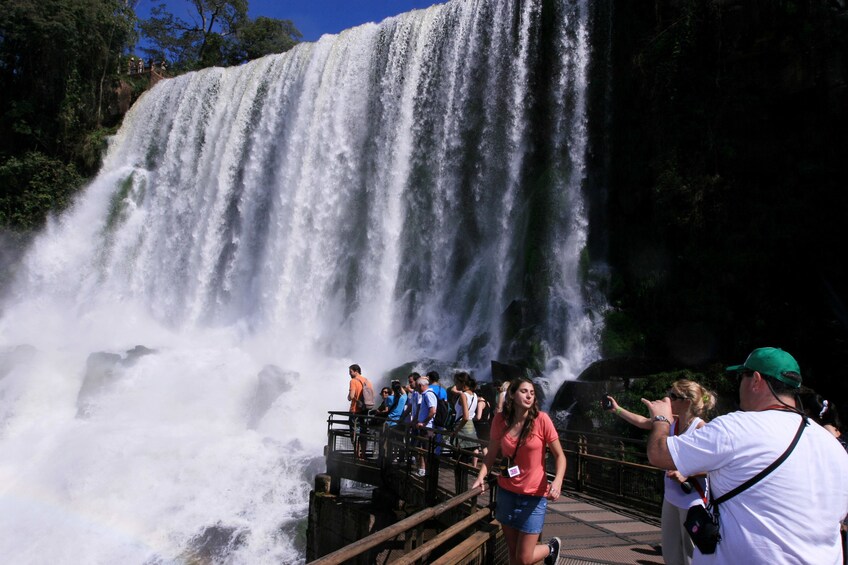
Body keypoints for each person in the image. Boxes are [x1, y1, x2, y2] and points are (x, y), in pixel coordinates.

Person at [643, 347, 848, 564]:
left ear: (756, 380)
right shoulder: (833, 446)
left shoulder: (737, 428)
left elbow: (659, 454)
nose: (739, 384)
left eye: (742, 376)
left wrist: (661, 420)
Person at [605, 380, 716, 565]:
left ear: (687, 402)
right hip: (671, 496)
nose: (667, 399)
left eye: (672, 396)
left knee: (691, 553)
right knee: (671, 550)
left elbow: (715, 465)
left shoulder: (701, 428)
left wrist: (688, 472)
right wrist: (616, 409)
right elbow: (642, 422)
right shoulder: (671, 422)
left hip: (692, 501)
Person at [472, 376, 566, 565]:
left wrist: (557, 481)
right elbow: (491, 453)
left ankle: (550, 548)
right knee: (513, 555)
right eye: (524, 391)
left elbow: (560, 456)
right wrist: (481, 475)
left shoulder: (542, 420)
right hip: (507, 493)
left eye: (532, 392)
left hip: (534, 496)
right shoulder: (500, 420)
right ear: (512, 395)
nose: (529, 396)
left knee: (524, 558)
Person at [451, 371, 479, 463]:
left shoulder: (463, 395)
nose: (455, 384)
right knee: (466, 457)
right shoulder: (475, 395)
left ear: (463, 383)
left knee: (459, 458)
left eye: (456, 382)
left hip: (462, 426)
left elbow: (465, 417)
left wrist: (456, 431)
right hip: (471, 428)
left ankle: (460, 477)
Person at [347, 364, 374, 460]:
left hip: (355, 410)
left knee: (354, 433)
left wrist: (349, 396)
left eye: (350, 372)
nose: (349, 374)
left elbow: (351, 396)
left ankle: (357, 454)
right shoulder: (367, 381)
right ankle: (363, 454)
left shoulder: (353, 381)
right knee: (363, 432)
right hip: (364, 410)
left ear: (356, 371)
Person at [415, 376, 438, 476]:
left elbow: (433, 411)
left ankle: (428, 472)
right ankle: (424, 470)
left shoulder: (428, 395)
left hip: (427, 427)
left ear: (420, 385)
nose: (416, 389)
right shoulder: (425, 395)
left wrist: (424, 423)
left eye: (416, 387)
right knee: (423, 449)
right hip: (425, 427)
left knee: (426, 449)